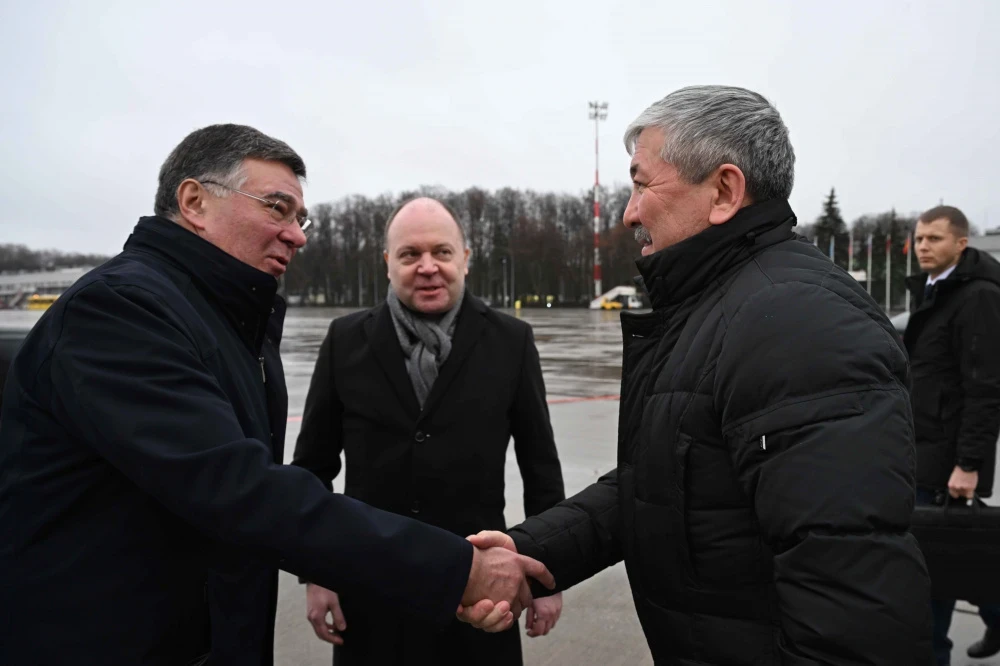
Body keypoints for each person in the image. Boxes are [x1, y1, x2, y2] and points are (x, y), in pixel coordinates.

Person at [0, 124, 551, 666]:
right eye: (277, 208)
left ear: (466, 257)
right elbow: (244, 488)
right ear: (194, 202)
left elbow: (538, 460)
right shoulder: (123, 312)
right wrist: (454, 568)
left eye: (299, 217)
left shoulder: (231, 325)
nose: (298, 235)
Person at [466, 85, 934, 664]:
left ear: (724, 192)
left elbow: (853, 606)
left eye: (642, 184)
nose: (630, 212)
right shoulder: (725, 308)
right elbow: (665, 481)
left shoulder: (797, 320)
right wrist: (530, 552)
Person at [292, 196, 566, 665]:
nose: (427, 267)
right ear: (387, 263)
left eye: (441, 252)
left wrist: (548, 575)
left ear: (466, 258)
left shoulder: (511, 341)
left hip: (481, 592)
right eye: (409, 254)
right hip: (370, 588)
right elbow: (313, 467)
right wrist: (316, 572)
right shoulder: (344, 340)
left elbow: (540, 464)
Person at [904, 205, 1000, 666]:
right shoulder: (934, 290)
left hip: (947, 460)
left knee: (932, 576)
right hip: (923, 449)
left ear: (961, 244)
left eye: (935, 239)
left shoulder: (978, 298)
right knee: (953, 556)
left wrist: (968, 464)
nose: (923, 246)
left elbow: (985, 388)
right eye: (920, 238)